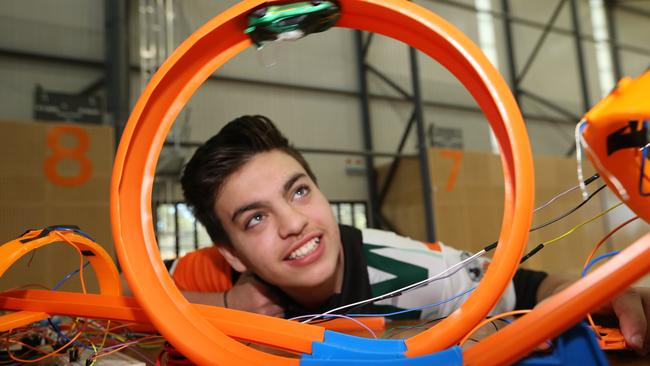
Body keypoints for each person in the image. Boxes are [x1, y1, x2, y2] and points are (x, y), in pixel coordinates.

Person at [166, 115, 649, 354]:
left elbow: (532, 289)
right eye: (255, 218)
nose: (293, 224)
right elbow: (119, 291)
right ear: (231, 256)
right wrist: (227, 308)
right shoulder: (208, 281)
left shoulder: (410, 272)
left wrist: (591, 293)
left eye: (298, 192)